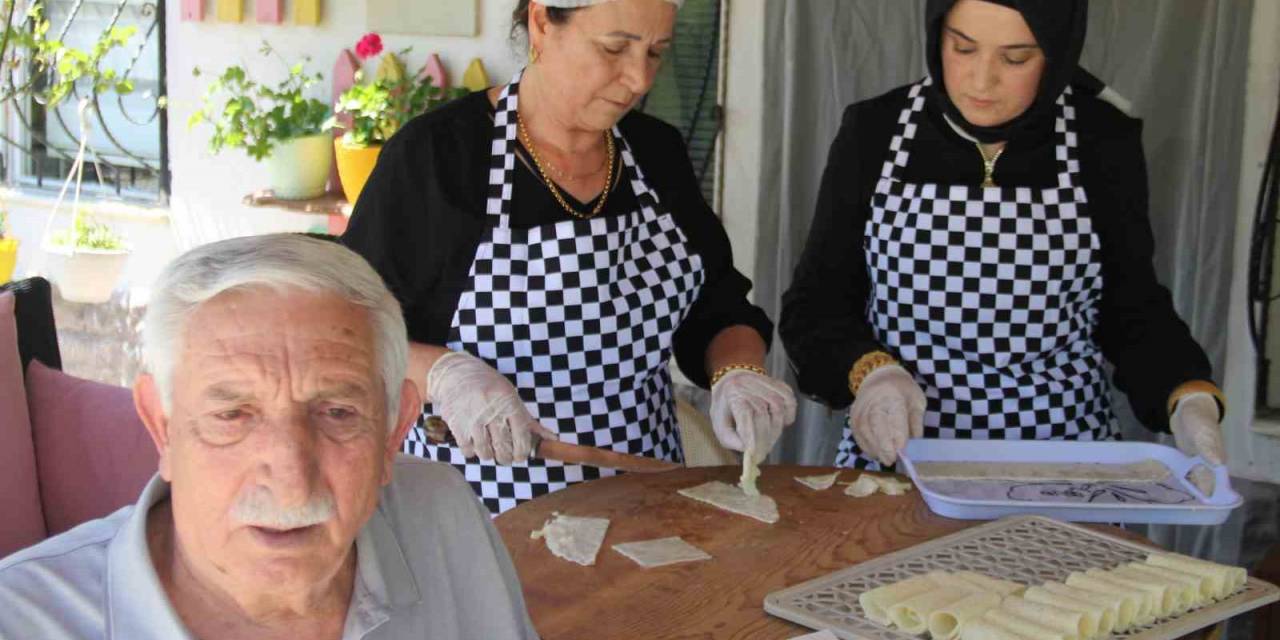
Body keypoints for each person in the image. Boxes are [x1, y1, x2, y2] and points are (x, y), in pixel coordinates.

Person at [343, 0, 796, 514]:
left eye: (655, 53)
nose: (638, 79)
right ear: (542, 22)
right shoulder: (438, 156)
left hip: (644, 496)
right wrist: (446, 374)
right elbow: (351, 332)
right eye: (614, 47)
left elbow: (717, 305)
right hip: (480, 507)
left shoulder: (656, 153)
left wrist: (738, 372)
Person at [0, 235, 538, 639]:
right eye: (233, 414)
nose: (290, 482)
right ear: (162, 426)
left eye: (337, 412)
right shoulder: (22, 620)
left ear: (396, 428)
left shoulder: (441, 515)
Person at [780, 0, 1226, 477]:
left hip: (1063, 462)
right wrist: (872, 373)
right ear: (937, 36)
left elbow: (1132, 308)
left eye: (1015, 58)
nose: (981, 81)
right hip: (904, 457)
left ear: (1056, 54)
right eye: (963, 48)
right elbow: (817, 304)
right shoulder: (877, 131)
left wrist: (1187, 393)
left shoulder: (1101, 140)